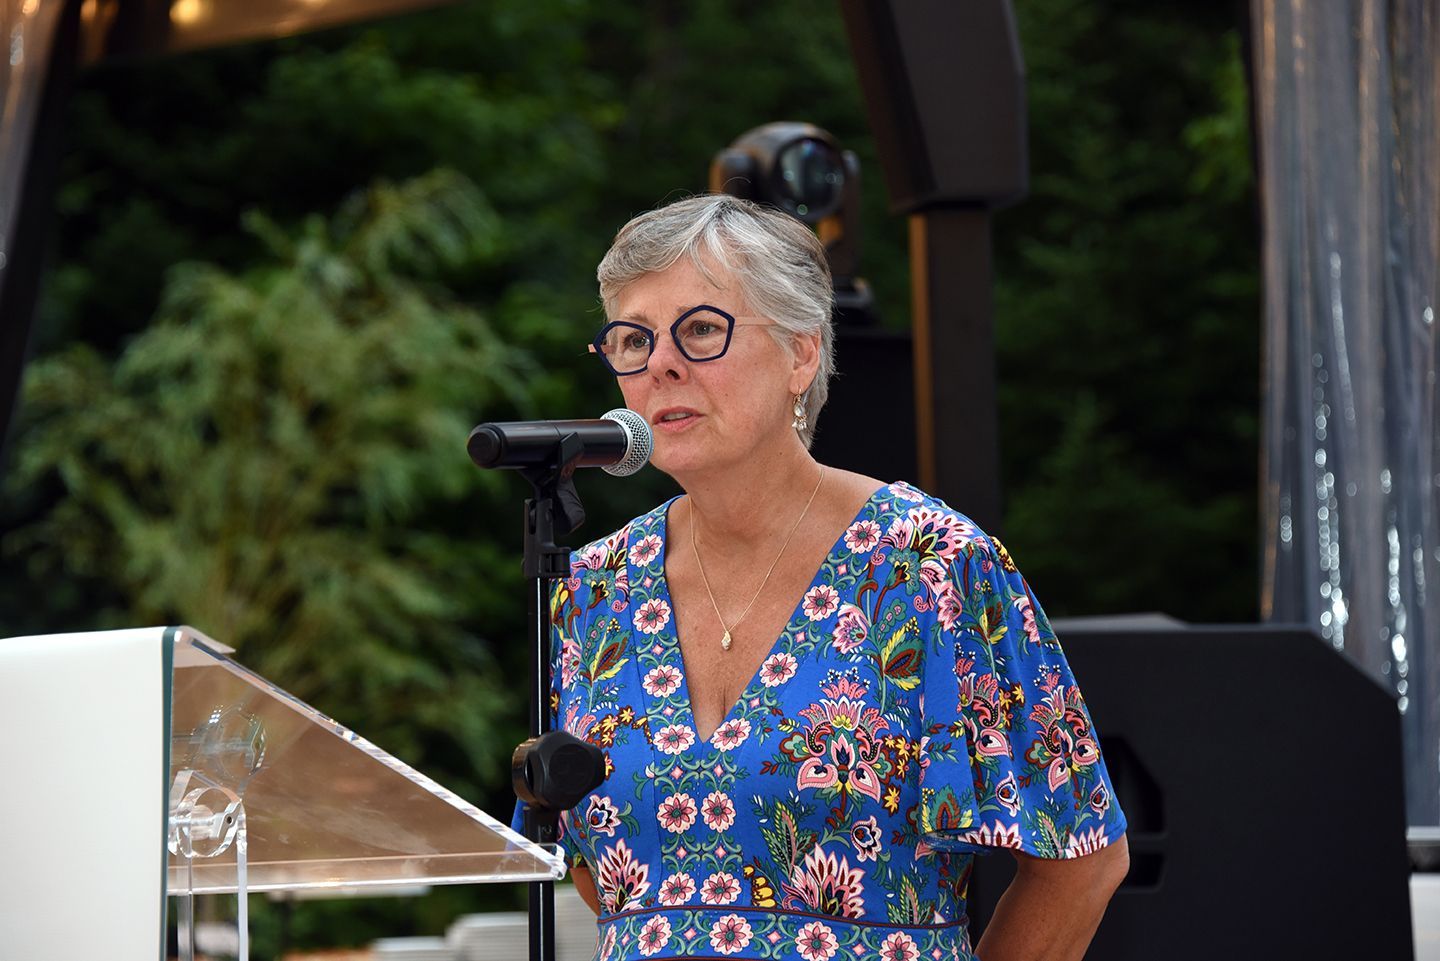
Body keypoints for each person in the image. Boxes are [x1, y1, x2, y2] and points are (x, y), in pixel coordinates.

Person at [514, 194, 1129, 961]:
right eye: (633, 339)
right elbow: (596, 868)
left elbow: (1082, 857)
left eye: (700, 329)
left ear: (801, 354)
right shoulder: (594, 587)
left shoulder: (930, 565)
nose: (661, 363)